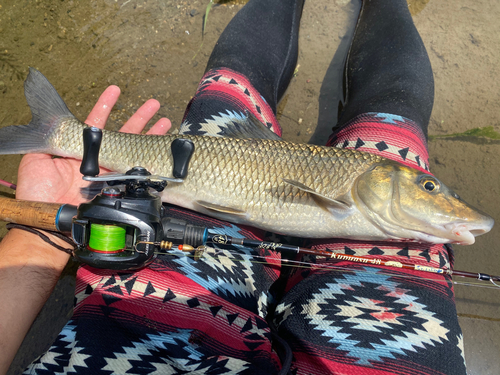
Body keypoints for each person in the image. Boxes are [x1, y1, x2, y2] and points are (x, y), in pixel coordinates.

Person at [0, 0, 467, 374]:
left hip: (121, 328)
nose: (433, 194)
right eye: (428, 188)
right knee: (391, 130)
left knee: (226, 95)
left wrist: (35, 240)